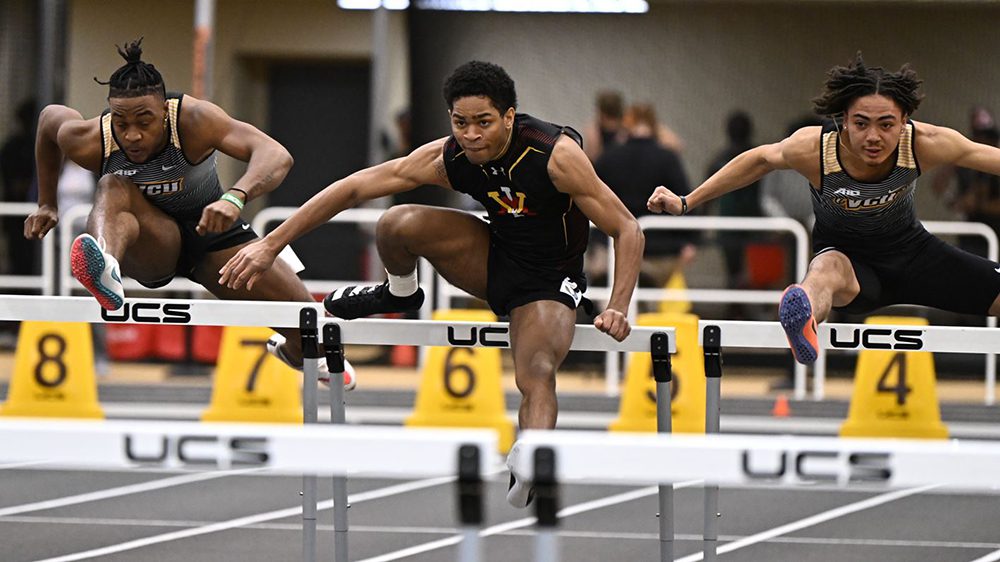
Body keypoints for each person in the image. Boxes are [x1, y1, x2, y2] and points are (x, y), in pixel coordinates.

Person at [219, 60, 643, 506]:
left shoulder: (554, 156)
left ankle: (532, 454)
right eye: (461, 123)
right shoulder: (450, 156)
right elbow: (352, 189)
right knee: (397, 221)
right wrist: (271, 243)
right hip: (492, 257)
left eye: (484, 122)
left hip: (550, 277)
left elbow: (627, 228)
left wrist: (617, 305)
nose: (472, 135)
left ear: (510, 117)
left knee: (535, 371)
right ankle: (400, 290)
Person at [24, 38, 354, 389]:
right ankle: (104, 263)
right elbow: (48, 122)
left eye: (144, 122)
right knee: (111, 186)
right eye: (121, 123)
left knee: (315, 332)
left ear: (165, 112)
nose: (132, 135)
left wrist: (236, 197)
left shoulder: (196, 120)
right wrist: (47, 203)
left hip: (214, 235)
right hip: (152, 241)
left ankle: (294, 351)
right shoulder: (91, 139)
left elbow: (275, 155)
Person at [647, 52, 1000, 365]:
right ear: (843, 119)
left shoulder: (925, 144)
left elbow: (984, 156)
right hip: (852, 266)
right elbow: (757, 161)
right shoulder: (815, 149)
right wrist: (687, 200)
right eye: (861, 123)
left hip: (916, 256)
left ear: (905, 119)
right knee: (825, 268)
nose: (873, 137)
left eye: (886, 124)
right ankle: (803, 313)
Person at [594, 102, 696, 307]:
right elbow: (686, 198)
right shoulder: (668, 158)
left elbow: (592, 196)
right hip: (661, 252)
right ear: (655, 125)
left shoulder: (608, 157)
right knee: (650, 312)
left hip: (614, 248)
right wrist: (690, 241)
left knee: (609, 305)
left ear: (626, 125)